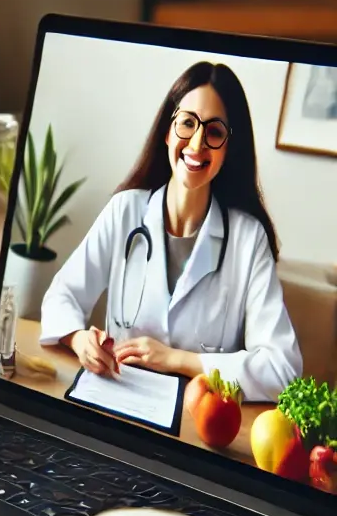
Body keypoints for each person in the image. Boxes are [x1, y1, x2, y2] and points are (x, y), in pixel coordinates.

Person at [39, 61, 302, 404]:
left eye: (214, 131)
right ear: (168, 130)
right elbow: (62, 295)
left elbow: (283, 369)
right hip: (116, 403)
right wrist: (77, 338)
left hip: (195, 424)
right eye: (187, 123)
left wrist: (179, 360)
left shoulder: (248, 240)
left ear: (228, 149)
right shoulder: (125, 210)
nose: (196, 143)